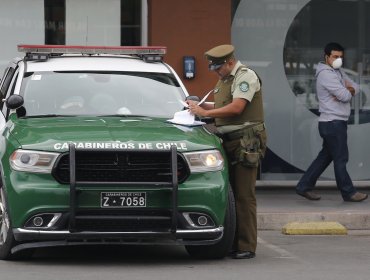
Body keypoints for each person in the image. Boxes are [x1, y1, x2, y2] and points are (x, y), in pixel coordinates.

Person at [188, 44, 267, 259]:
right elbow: (223, 105)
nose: (215, 71)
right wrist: (197, 110)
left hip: (245, 141)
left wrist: (205, 112)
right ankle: (233, 242)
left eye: (218, 67)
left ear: (230, 62)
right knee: (230, 194)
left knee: (244, 195)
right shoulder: (225, 80)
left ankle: (247, 245)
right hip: (229, 140)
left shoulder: (245, 76)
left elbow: (236, 108)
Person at [296, 42, 368, 202]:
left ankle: (304, 186)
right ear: (326, 56)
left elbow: (356, 86)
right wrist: (346, 91)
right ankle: (349, 192)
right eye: (335, 56)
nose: (338, 60)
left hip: (335, 122)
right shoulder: (326, 74)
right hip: (333, 123)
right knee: (341, 159)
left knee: (325, 157)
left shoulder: (339, 72)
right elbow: (345, 96)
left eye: (341, 57)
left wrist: (348, 89)